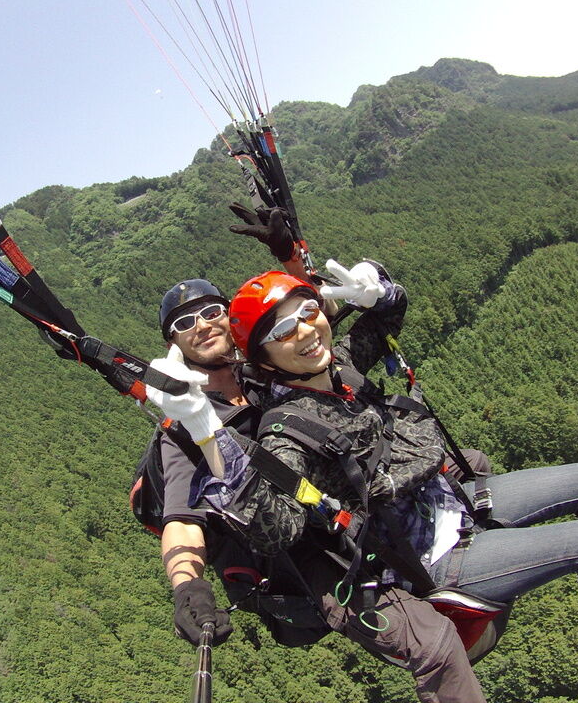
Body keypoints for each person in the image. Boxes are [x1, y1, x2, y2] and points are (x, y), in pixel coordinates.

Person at [148, 261, 578, 694]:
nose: (304, 330)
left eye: (309, 312)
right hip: (431, 553)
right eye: (284, 328)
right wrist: (205, 431)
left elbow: (383, 320)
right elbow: (270, 526)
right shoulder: (283, 431)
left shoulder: (334, 366)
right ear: (265, 354)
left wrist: (376, 292)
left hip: (449, 502)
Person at [151, 273, 489, 702]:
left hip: (351, 495)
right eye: (184, 323)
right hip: (305, 546)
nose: (201, 324)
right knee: (432, 646)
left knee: (471, 463)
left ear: (229, 319)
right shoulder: (181, 428)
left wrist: (298, 261)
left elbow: (308, 322)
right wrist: (187, 586)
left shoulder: (262, 368)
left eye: (212, 312)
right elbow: (182, 521)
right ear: (174, 344)